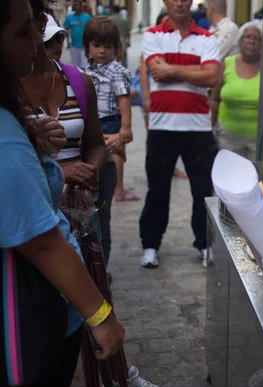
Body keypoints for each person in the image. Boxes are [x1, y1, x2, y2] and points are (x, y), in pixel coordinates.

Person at [1, 0, 124, 387]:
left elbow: (96, 143)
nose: (37, 42)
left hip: (75, 231)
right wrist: (101, 315)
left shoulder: (74, 82)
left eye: (39, 29)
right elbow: (41, 241)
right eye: (24, 32)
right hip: (33, 302)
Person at [140, 0, 220, 268]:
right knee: (157, 190)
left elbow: (212, 77)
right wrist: (196, 70)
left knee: (202, 191)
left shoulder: (207, 38)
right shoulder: (152, 35)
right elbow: (155, 71)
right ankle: (150, 245)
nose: (179, 2)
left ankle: (204, 244)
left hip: (198, 128)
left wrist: (171, 70)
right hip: (162, 126)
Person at [83, 16, 139, 262]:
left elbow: (124, 100)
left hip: (108, 124)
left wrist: (125, 129)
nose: (102, 51)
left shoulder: (117, 71)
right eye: (97, 46)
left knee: (101, 215)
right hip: (90, 127)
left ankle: (101, 269)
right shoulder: (85, 72)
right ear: (88, 47)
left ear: (117, 48)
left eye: (108, 46)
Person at [140, 13, 188, 180]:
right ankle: (157, 169)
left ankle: (172, 167)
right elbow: (143, 71)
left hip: (173, 100)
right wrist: (146, 97)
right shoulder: (151, 44)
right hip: (154, 98)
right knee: (154, 135)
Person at [210, 22, 262, 160]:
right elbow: (214, 99)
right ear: (239, 42)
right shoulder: (227, 64)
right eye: (248, 37)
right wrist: (210, 128)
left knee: (258, 179)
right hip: (228, 136)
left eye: (257, 39)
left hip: (260, 139)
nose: (252, 41)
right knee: (230, 178)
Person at [63, 0, 92, 68]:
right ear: (73, 6)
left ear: (82, 6)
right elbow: (65, 30)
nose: (77, 6)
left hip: (85, 47)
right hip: (74, 46)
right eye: (75, 4)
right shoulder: (69, 18)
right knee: (75, 67)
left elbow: (92, 30)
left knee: (84, 67)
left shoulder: (87, 17)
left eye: (79, 4)